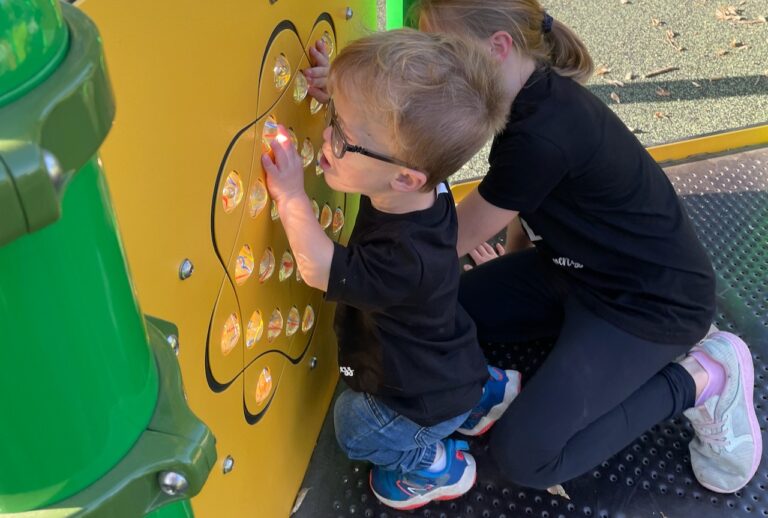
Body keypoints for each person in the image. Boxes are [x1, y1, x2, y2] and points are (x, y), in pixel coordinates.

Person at [407, 0, 762, 494]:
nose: (435, 65)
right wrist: (514, 266)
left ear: (498, 48)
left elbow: (439, 246)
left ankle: (706, 378)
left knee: (525, 455)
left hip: (651, 305)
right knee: (454, 302)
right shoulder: (521, 98)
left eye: (443, 51)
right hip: (575, 274)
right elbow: (532, 202)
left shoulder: (543, 130)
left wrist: (334, 262)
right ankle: (578, 339)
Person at [261, 28, 521, 510]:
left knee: (354, 425)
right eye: (335, 117)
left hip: (415, 396)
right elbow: (379, 140)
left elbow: (319, 268)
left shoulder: (404, 260)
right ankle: (482, 394)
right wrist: (335, 86)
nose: (326, 135)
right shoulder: (427, 191)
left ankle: (432, 463)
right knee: (440, 362)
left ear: (405, 176)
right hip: (446, 357)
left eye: (343, 135)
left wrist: (292, 196)